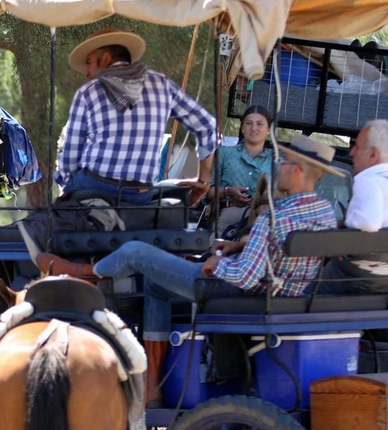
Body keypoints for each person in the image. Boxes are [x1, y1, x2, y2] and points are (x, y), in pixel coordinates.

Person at [38, 139, 344, 404]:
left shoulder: (274, 217)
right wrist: (238, 246)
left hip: (236, 293)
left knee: (135, 253)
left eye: (285, 162)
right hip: (285, 294)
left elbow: (245, 277)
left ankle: (87, 272)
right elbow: (277, 254)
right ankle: (153, 385)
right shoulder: (325, 214)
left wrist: (216, 263)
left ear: (299, 170)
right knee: (157, 286)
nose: (279, 167)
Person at [55, 29, 217, 205]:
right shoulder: (162, 84)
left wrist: (66, 185)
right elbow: (207, 125)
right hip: (139, 194)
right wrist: (203, 181)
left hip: (95, 187)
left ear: (106, 59)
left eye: (89, 63)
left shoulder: (88, 92)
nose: (87, 71)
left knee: (63, 175)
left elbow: (70, 154)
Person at [330, 119, 388, 291]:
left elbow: (368, 223)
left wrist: (345, 222)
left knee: (304, 289)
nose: (351, 153)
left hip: (358, 279)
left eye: (356, 147)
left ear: (373, 155)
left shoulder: (367, 180)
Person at [215, 105, 275, 222]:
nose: (253, 128)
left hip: (262, 221)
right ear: (242, 127)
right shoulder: (224, 153)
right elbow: (208, 192)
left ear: (268, 129)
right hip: (226, 217)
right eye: (248, 123)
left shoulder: (275, 161)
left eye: (259, 124)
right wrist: (228, 191)